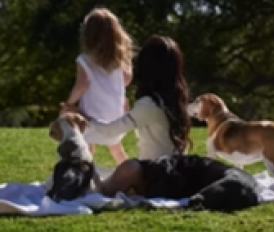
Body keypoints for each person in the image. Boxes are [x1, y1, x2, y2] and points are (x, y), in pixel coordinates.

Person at [83, 35, 193, 196]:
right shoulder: (176, 100)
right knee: (119, 170)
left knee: (126, 168)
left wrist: (82, 118)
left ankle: (101, 189)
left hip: (155, 178)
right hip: (176, 176)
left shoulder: (150, 104)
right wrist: (130, 114)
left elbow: (109, 131)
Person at [62, 7, 134, 165]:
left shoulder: (84, 60)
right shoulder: (121, 61)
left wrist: (69, 104)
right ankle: (132, 176)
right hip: (116, 120)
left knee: (87, 147)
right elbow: (127, 80)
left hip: (92, 120)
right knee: (117, 149)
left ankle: (85, 175)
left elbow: (81, 86)